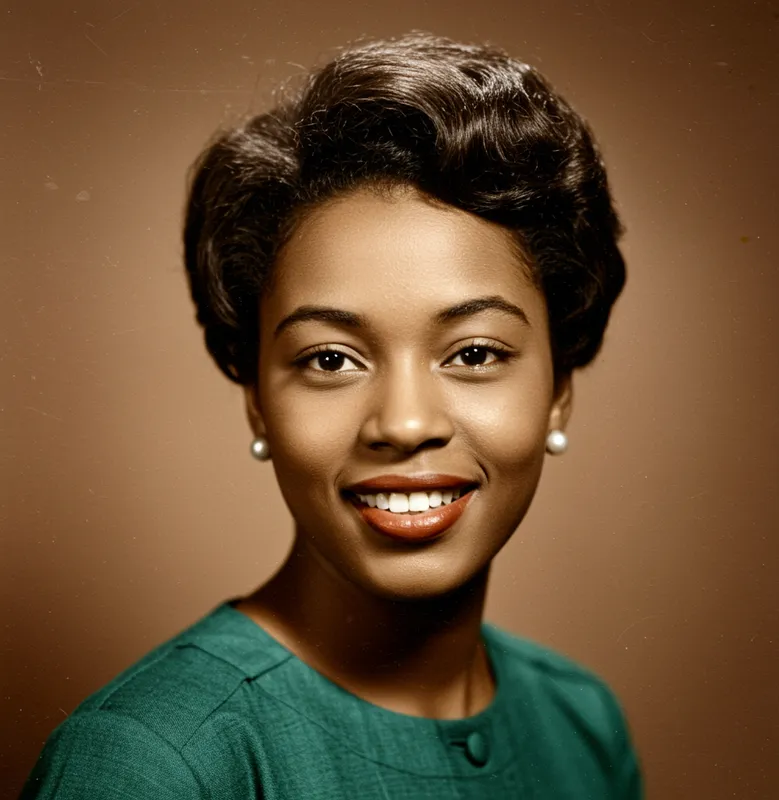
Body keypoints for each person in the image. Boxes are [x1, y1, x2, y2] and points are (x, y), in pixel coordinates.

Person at [21, 32, 642, 799]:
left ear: (559, 389)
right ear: (256, 398)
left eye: (475, 352)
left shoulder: (581, 724)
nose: (404, 424)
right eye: (331, 360)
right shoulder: (150, 763)